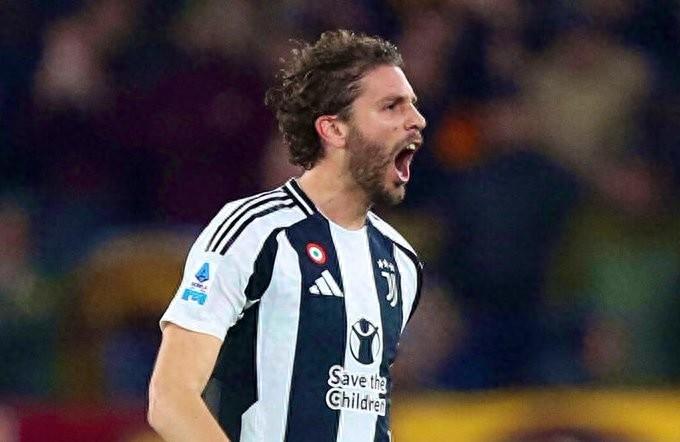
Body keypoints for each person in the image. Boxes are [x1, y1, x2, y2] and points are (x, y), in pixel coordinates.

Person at [147, 29, 426, 442]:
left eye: (413, 105)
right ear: (334, 129)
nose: (416, 120)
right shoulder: (253, 232)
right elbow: (171, 399)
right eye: (391, 106)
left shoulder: (401, 262)